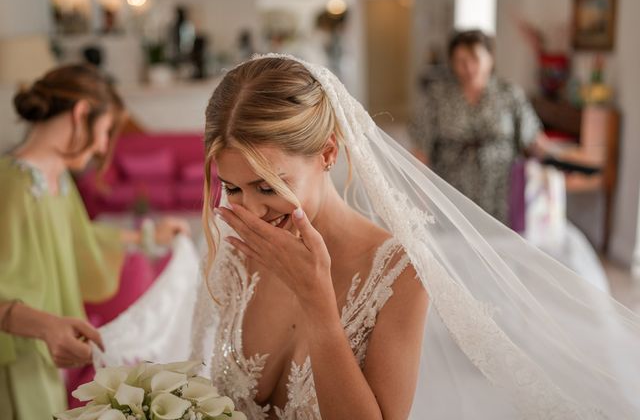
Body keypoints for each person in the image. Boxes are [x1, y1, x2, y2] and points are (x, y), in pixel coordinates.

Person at [91, 55, 640, 420]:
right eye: (232, 189)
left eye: (270, 186)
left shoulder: (396, 273)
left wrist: (318, 304)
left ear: (328, 153)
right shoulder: (241, 251)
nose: (250, 211)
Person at [0, 64, 189, 419]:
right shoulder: (14, 185)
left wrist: (149, 236)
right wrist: (45, 327)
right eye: (104, 132)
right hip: (16, 359)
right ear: (81, 113)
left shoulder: (59, 181)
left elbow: (82, 240)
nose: (103, 147)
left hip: (47, 353)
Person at [409, 30, 547, 224]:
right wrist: (419, 195)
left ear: (490, 59)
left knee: (498, 247)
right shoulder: (437, 96)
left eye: (475, 58)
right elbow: (420, 149)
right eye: (460, 60)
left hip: (501, 193)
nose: (468, 67)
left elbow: (533, 138)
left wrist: (553, 163)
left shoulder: (509, 94)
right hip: (451, 191)